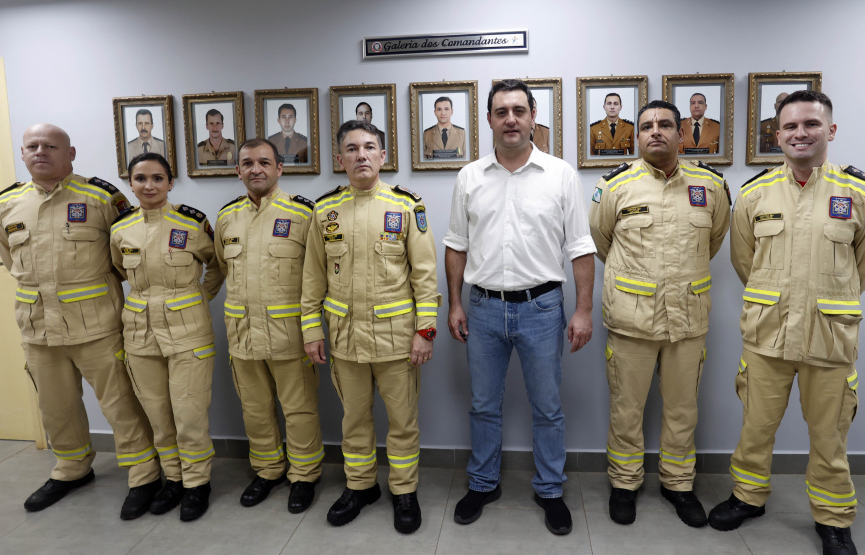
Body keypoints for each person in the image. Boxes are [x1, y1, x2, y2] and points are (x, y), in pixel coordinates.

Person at [709, 90, 865, 555]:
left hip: (829, 337)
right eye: (789, 127)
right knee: (756, 426)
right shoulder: (753, 193)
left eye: (810, 124)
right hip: (767, 334)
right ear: (777, 134)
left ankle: (833, 520)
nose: (799, 134)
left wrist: (828, 301)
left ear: (830, 130)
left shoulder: (863, 194)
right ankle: (748, 497)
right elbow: (745, 261)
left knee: (830, 436)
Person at [445, 79, 596, 536]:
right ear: (489, 120)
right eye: (500, 111)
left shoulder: (561, 174)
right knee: (483, 404)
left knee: (548, 406)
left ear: (532, 117)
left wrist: (584, 310)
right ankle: (483, 483)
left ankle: (550, 489)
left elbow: (581, 247)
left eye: (518, 110)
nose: (510, 119)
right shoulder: (469, 177)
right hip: (484, 308)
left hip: (542, 307)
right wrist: (454, 303)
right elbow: (455, 246)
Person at [0, 124, 160, 520]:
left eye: (51, 145)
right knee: (55, 407)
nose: (40, 152)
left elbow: (125, 256)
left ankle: (143, 474)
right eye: (32, 146)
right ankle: (70, 469)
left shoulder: (102, 197)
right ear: (22, 153)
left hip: (97, 325)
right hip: (37, 328)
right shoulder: (6, 204)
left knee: (121, 404)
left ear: (71, 153)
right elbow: (9, 258)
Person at [588, 100, 730, 528]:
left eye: (665, 124)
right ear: (638, 134)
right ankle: (625, 483)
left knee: (683, 409)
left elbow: (716, 238)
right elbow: (602, 240)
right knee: (627, 408)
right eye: (647, 125)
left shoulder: (711, 186)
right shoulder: (615, 186)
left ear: (681, 132)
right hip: (632, 318)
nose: (656, 132)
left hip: (687, 319)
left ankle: (678, 484)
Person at [301, 120, 440, 534]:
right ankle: (361, 487)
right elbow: (313, 277)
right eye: (352, 149)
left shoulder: (406, 206)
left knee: (403, 422)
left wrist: (425, 331)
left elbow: (426, 275)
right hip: (345, 339)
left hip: (398, 339)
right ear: (340, 158)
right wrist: (311, 330)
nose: (361, 155)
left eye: (369, 147)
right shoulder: (324, 210)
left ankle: (403, 491)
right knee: (353, 420)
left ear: (383, 156)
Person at [110, 153, 223, 521]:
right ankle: (172, 479)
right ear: (130, 183)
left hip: (188, 331)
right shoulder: (120, 228)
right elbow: (118, 269)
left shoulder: (191, 222)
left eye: (158, 178)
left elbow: (218, 264)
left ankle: (196, 483)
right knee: (158, 413)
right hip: (140, 332)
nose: (149, 185)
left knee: (189, 412)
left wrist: (197, 298)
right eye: (140, 178)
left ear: (170, 183)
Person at [214, 139, 323, 514]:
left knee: (299, 408)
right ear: (238, 170)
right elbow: (221, 266)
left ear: (281, 168)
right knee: (254, 409)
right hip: (242, 333)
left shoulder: (303, 214)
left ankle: (305, 474)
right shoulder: (227, 217)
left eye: (264, 162)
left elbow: (317, 277)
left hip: (288, 334)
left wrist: (313, 330)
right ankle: (267, 469)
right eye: (247, 163)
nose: (255, 169)